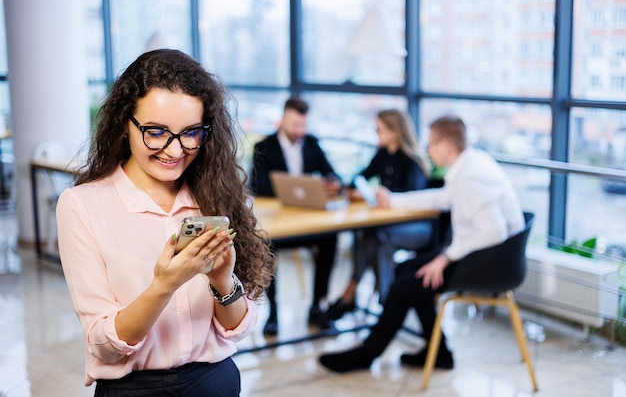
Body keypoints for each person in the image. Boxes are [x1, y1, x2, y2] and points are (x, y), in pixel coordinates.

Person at [56, 49, 275, 397]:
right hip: (134, 389)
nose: (175, 151)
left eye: (191, 133)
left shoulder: (213, 195)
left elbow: (236, 328)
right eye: (156, 132)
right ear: (124, 123)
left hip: (215, 382)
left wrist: (222, 280)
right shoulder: (82, 205)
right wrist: (164, 285)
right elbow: (103, 344)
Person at [318, 114, 524, 373]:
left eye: (431, 144)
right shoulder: (469, 165)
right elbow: (441, 199)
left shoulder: (472, 175)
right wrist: (393, 201)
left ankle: (366, 355)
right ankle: (438, 351)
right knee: (405, 272)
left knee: (404, 286)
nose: (427, 150)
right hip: (483, 254)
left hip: (490, 263)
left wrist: (445, 258)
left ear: (447, 144)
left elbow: (492, 232)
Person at [325, 109, 434, 321]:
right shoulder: (383, 154)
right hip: (387, 226)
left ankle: (356, 294)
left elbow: (413, 200)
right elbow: (361, 176)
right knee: (373, 236)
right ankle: (385, 303)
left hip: (417, 227)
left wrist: (386, 197)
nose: (376, 134)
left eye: (379, 130)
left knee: (377, 236)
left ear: (395, 131)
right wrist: (347, 188)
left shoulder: (412, 161)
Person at [248, 96, 342, 335]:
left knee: (330, 239)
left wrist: (332, 183)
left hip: (307, 221)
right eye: (294, 125)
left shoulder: (311, 144)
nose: (299, 131)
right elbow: (257, 185)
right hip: (279, 222)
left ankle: (317, 307)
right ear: (282, 121)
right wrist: (290, 187)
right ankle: (275, 312)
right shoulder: (263, 147)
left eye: (303, 125)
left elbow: (332, 173)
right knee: (266, 243)